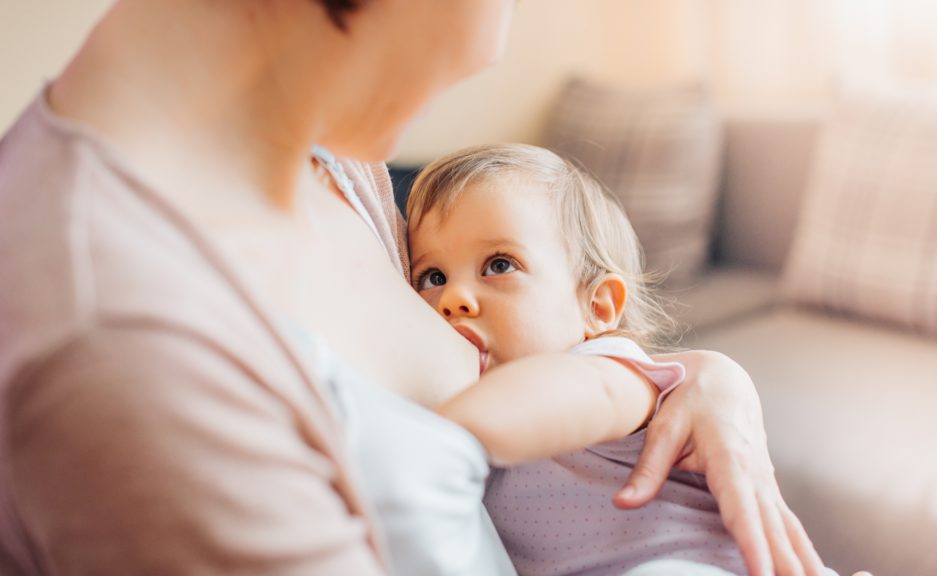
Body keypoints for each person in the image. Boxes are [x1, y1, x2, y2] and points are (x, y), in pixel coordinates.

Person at [0, 1, 847, 575]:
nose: (496, 41)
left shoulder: (341, 166)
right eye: (433, 279)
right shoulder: (117, 333)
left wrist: (701, 381)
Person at [402, 143, 837, 576]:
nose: (452, 298)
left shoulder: (613, 371)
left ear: (598, 308)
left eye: (499, 265)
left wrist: (430, 432)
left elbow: (515, 411)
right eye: (433, 277)